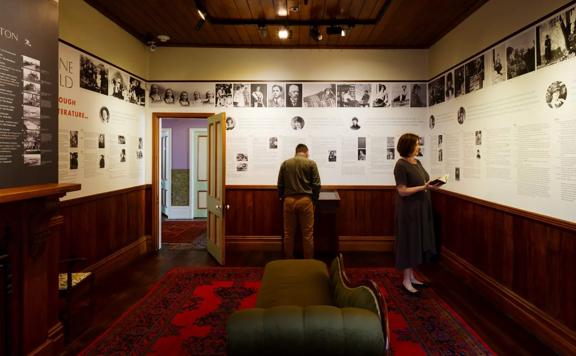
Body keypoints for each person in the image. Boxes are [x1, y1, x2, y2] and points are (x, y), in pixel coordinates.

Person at [393, 133, 439, 295]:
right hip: (409, 211)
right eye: (417, 144)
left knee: (416, 241)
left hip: (420, 208)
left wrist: (431, 185)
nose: (419, 146)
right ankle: (406, 279)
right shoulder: (400, 165)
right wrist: (425, 187)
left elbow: (423, 182)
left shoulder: (417, 162)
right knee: (409, 242)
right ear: (408, 146)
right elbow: (402, 191)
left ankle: (411, 276)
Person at [277, 143, 321, 259]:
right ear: (306, 152)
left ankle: (289, 260)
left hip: (289, 200)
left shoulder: (285, 164)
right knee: (307, 234)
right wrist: (314, 201)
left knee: (288, 234)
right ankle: (308, 262)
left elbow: (280, 185)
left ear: (296, 152)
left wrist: (282, 198)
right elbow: (317, 185)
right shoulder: (311, 163)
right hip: (305, 200)